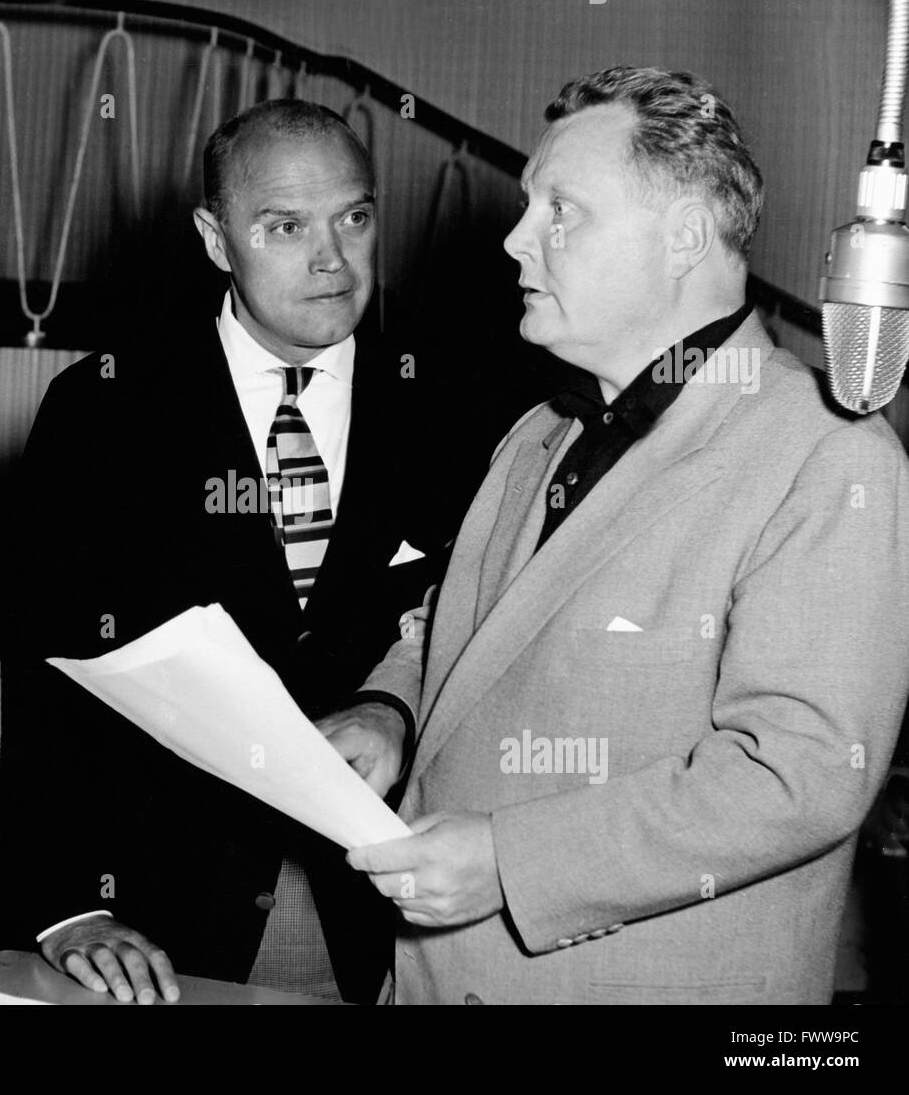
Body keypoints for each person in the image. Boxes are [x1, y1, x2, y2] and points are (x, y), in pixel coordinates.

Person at [330, 66, 909, 1004]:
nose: (517, 239)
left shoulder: (828, 453)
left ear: (683, 235)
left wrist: (511, 862)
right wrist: (390, 710)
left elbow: (798, 771)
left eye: (562, 209)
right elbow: (464, 630)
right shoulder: (538, 436)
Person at [0, 99, 461, 1004]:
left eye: (353, 218)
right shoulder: (103, 411)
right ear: (215, 237)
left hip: (398, 925)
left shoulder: (457, 407)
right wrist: (67, 907)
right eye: (285, 227)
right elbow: (31, 674)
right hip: (156, 933)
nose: (332, 259)